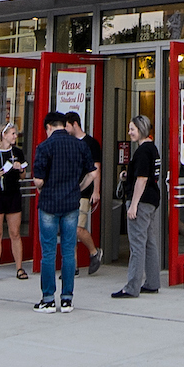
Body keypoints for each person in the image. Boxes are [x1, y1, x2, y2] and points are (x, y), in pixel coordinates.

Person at [29, 109, 95, 314]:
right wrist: (79, 187)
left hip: (49, 203)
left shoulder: (44, 146)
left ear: (48, 127)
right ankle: (67, 299)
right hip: (71, 203)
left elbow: (38, 180)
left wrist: (42, 188)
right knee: (68, 252)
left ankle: (48, 299)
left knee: (48, 253)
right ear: (63, 124)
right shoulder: (79, 145)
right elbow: (93, 173)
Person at [112, 114, 165, 300]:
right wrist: (129, 175)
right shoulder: (153, 149)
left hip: (141, 202)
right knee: (150, 243)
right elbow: (147, 175)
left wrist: (133, 205)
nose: (129, 132)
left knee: (137, 244)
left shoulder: (142, 151)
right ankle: (152, 282)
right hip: (152, 200)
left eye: (132, 129)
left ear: (141, 130)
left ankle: (132, 287)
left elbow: (142, 180)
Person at [0, 121, 27, 282]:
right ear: (4, 135)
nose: (16, 136)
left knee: (15, 232)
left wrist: (19, 168)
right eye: (13, 133)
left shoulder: (18, 153)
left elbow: (23, 175)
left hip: (13, 193)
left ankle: (19, 268)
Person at [69, 111, 106, 276]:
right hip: (70, 190)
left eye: (67, 125)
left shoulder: (91, 143)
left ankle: (94, 251)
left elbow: (96, 167)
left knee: (77, 228)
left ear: (75, 124)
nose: (65, 128)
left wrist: (96, 190)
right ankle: (73, 265)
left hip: (85, 190)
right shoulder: (68, 142)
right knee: (69, 228)